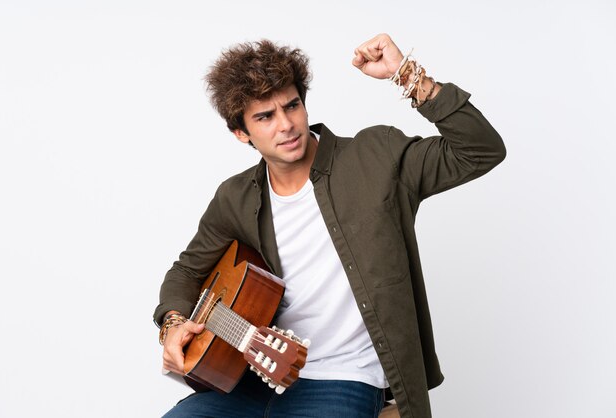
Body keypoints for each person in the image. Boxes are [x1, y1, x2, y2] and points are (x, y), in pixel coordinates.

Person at [154, 33, 506, 418]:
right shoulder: (236, 197)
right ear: (242, 133)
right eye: (265, 117)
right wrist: (172, 323)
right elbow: (187, 272)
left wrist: (407, 75)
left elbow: (480, 150)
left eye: (292, 106)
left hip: (347, 376)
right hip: (256, 374)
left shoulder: (376, 157)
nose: (286, 125)